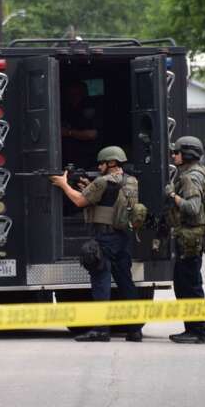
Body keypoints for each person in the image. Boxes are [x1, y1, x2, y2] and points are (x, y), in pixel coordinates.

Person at [49, 146, 140, 342]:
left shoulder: (102, 182)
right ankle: (135, 329)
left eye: (102, 163)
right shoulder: (130, 180)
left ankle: (101, 329)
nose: (99, 167)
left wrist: (64, 185)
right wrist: (88, 186)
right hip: (122, 237)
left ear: (111, 163)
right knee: (125, 282)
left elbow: (79, 201)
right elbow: (110, 199)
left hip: (105, 238)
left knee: (101, 282)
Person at [167, 136, 205, 344]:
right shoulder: (201, 171)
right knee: (188, 284)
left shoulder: (190, 177)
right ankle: (193, 329)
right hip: (193, 237)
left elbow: (192, 207)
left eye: (177, 152)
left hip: (190, 238)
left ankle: (198, 332)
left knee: (188, 286)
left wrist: (172, 196)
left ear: (187, 154)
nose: (174, 155)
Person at [60, 80, 100, 169]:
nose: (73, 98)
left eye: (76, 94)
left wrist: (69, 132)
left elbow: (92, 134)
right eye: (70, 95)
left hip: (87, 158)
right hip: (68, 158)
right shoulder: (66, 109)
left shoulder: (90, 108)